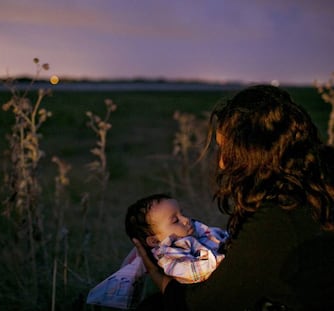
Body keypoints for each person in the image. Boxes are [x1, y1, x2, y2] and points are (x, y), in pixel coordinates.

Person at [132, 85, 334, 310]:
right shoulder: (319, 183)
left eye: (226, 150)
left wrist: (158, 277)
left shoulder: (277, 218)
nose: (221, 163)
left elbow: (208, 304)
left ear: (254, 152)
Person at [125, 193, 228, 284]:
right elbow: (195, 272)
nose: (186, 220)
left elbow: (220, 235)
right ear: (155, 241)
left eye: (182, 214)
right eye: (175, 221)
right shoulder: (169, 255)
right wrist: (227, 256)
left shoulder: (195, 230)